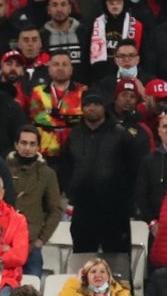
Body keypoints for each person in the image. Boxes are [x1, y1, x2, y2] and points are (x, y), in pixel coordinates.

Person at [59, 91, 141, 278]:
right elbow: (65, 167)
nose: (92, 108)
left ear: (104, 107)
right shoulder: (74, 135)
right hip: (83, 209)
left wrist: (127, 202)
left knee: (118, 260)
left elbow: (133, 170)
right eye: (88, 104)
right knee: (83, 259)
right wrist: (71, 190)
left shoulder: (120, 135)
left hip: (114, 210)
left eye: (96, 104)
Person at [8, 125, 63, 278]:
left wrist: (41, 240)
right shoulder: (3, 169)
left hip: (32, 245)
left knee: (31, 294)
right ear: (16, 144)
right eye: (24, 143)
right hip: (5, 244)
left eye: (32, 144)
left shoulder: (47, 174)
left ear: (38, 147)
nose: (27, 148)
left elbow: (55, 210)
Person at [28, 51, 85, 165]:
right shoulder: (38, 91)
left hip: (75, 151)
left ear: (71, 69)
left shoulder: (82, 91)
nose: (60, 68)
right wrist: (68, 118)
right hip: (46, 153)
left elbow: (82, 118)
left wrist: (54, 115)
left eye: (64, 64)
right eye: (56, 64)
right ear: (49, 69)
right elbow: (38, 118)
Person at [88, 0, 146, 85]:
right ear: (105, 2)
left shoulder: (136, 25)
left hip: (131, 78)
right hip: (101, 79)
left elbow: (145, 55)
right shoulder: (94, 25)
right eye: (111, 0)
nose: (114, 4)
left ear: (124, 1)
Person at [41, 0, 86, 82]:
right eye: (54, 5)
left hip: (81, 88)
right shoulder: (41, 36)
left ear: (69, 8)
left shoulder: (85, 32)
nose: (59, 9)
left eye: (63, 4)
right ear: (48, 10)